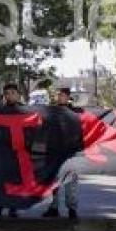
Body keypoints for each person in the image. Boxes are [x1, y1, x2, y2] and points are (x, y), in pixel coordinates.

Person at [43, 87, 81, 220]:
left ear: (68, 97)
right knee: (53, 182)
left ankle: (72, 209)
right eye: (58, 95)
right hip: (54, 152)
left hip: (70, 153)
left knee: (71, 183)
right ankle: (53, 207)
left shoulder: (76, 112)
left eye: (62, 95)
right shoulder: (52, 111)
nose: (59, 97)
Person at [0, 83, 23, 218]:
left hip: (18, 151)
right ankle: (0, 206)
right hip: (2, 151)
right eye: (7, 93)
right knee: (1, 180)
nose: (10, 96)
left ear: (18, 94)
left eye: (12, 93)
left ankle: (13, 207)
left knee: (15, 180)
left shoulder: (25, 110)